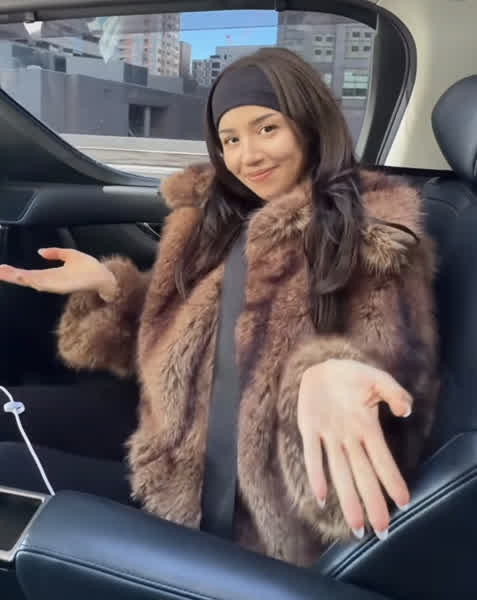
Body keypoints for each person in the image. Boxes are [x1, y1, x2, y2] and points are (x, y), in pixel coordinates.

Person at [0, 47, 438, 567]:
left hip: (222, 502)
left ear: (310, 124)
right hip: (165, 430)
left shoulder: (371, 236)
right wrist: (111, 287)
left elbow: (389, 367)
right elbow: (186, 338)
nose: (247, 156)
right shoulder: (222, 217)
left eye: (267, 128)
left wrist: (330, 371)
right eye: (230, 139)